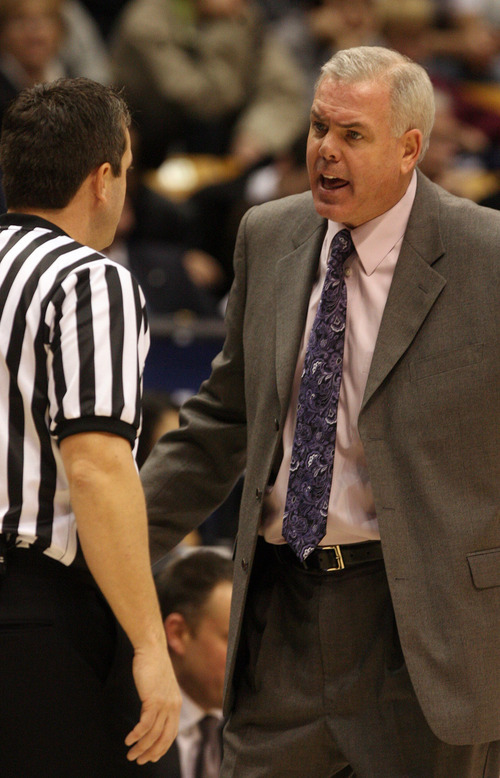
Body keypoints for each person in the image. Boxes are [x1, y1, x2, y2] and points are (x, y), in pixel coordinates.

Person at [140, 46, 500, 777]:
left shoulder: (484, 256)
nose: (325, 153)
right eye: (317, 129)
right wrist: (110, 542)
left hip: (423, 633)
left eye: (352, 135)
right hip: (281, 612)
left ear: (410, 149)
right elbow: (221, 423)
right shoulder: (268, 235)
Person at [0, 77, 181, 776]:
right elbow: (98, 466)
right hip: (43, 617)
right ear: (102, 179)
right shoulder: (88, 279)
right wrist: (147, 644)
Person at [155, 549, 233, 777]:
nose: (246, 659)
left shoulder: (257, 731)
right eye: (231, 638)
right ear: (178, 633)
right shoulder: (118, 727)